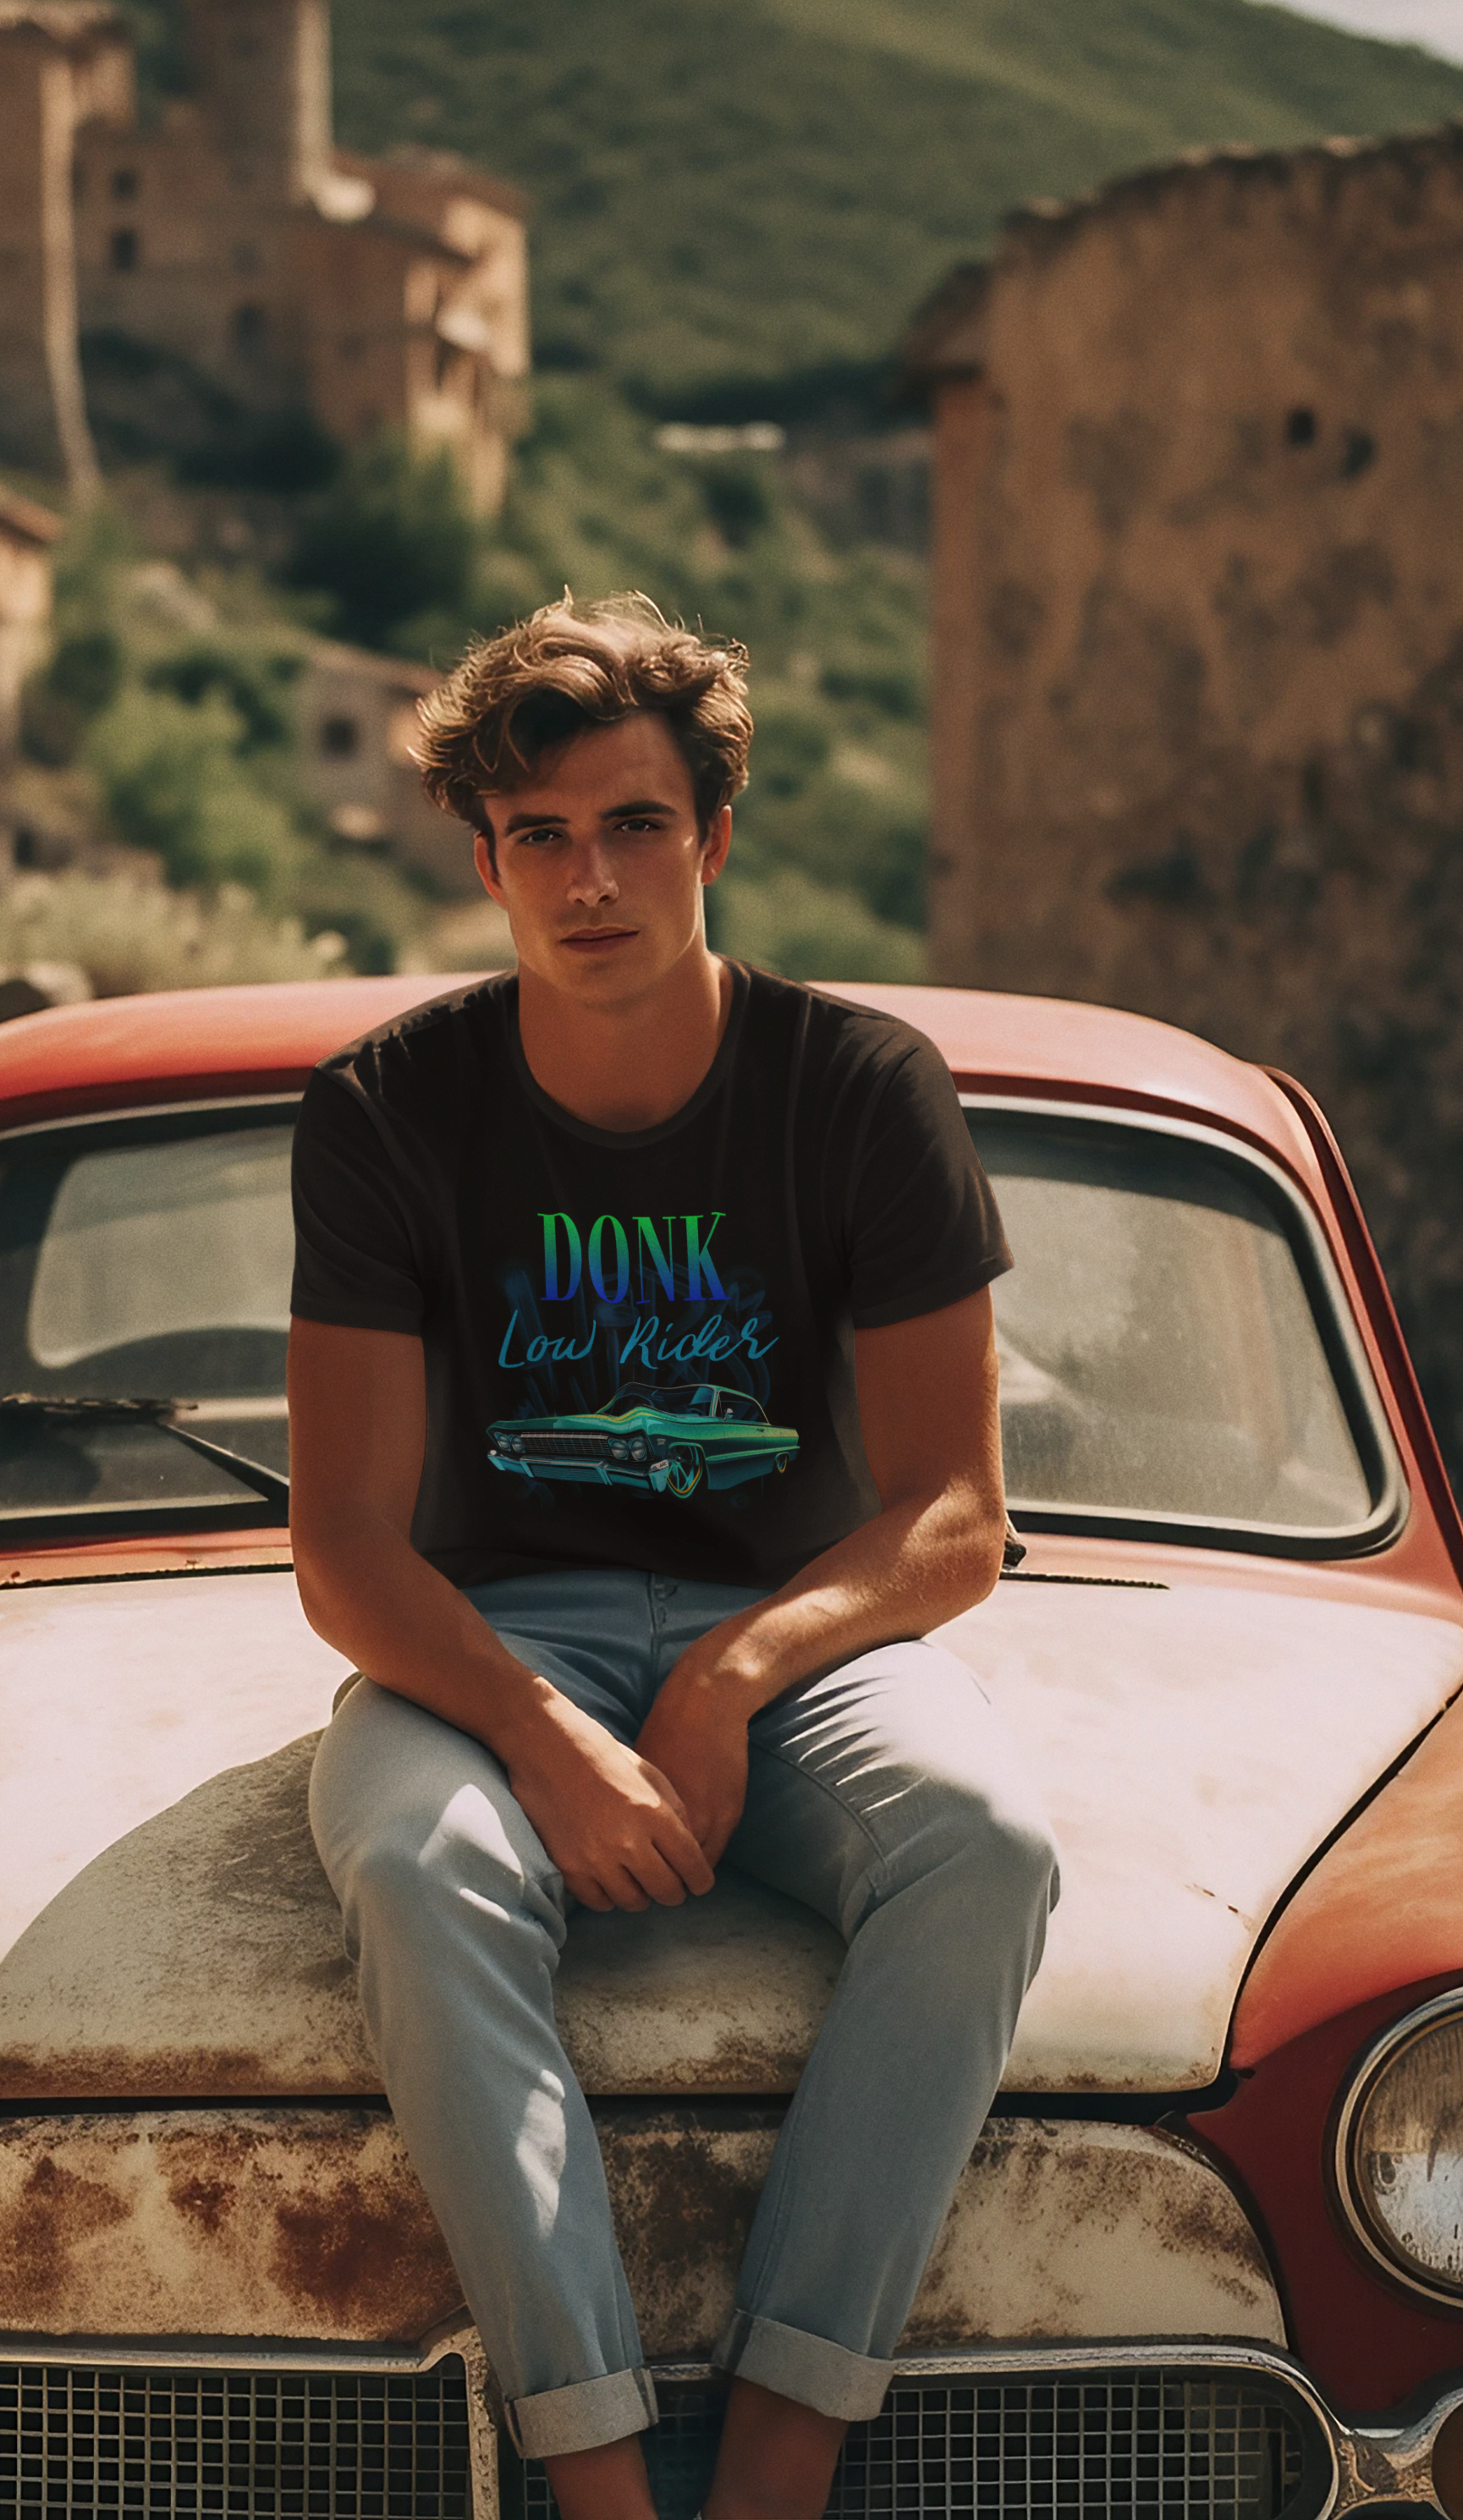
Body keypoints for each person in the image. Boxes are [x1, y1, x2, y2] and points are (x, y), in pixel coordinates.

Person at [288, 595, 1059, 2520]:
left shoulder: (858, 1085)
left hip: (792, 1633)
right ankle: (603, 2478)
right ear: (481, 861)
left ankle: (784, 2454)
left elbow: (955, 1512)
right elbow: (348, 1549)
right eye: (538, 835)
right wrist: (547, 1735)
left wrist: (726, 1678)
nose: (589, 878)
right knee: (412, 1857)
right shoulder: (387, 1108)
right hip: (476, 1642)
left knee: (985, 1840)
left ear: (714, 834)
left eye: (634, 824)